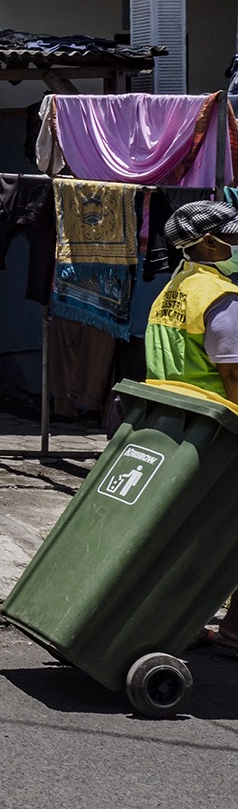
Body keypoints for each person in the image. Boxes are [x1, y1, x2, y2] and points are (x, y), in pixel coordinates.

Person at [143, 199, 238, 656]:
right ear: (208, 242)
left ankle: (180, 619)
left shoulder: (172, 291)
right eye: (232, 236)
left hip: (173, 424)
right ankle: (234, 630)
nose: (237, 243)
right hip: (218, 429)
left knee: (186, 535)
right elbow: (234, 376)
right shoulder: (220, 297)